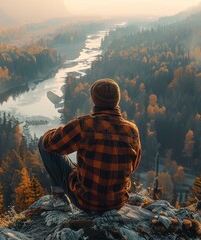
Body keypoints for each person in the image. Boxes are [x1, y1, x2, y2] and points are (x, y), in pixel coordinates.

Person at [39, 78, 141, 212]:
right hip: (117, 202)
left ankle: (59, 200)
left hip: (86, 202)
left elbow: (50, 144)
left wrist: (54, 132)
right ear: (117, 100)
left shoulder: (84, 125)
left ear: (93, 99)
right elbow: (133, 166)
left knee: (43, 143)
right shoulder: (132, 130)